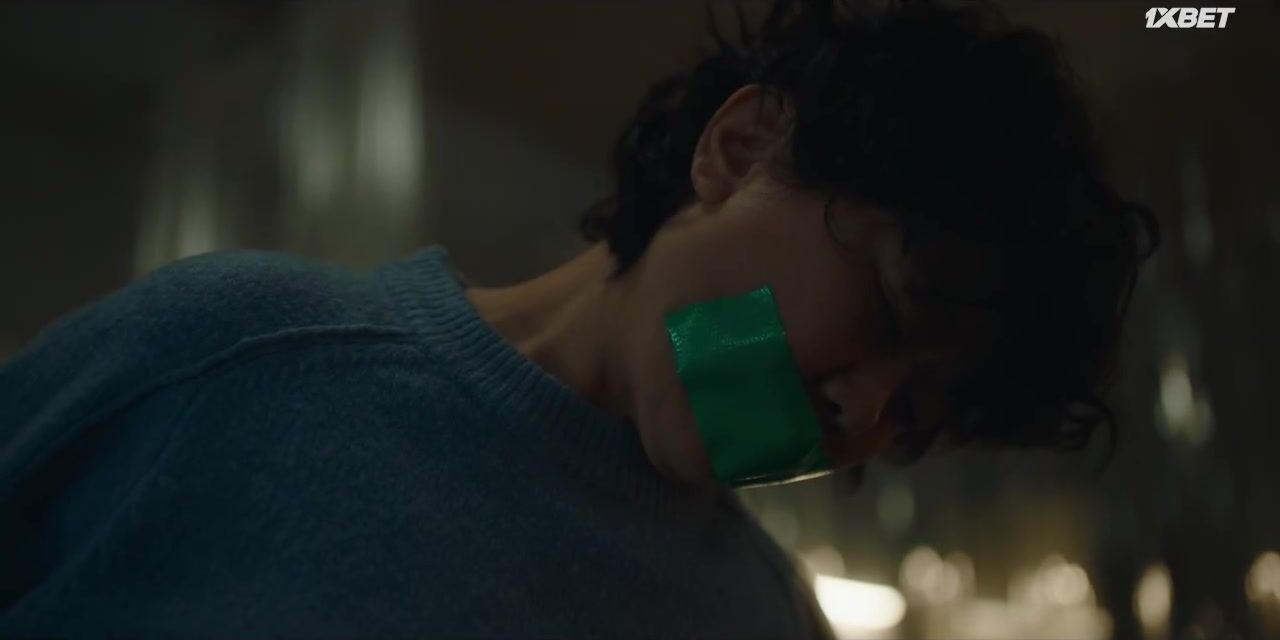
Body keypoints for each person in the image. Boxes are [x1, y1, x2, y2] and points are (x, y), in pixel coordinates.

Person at [0, 0, 1157, 638]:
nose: (857, 409)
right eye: (889, 305)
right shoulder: (235, 358)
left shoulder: (766, 621)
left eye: (912, 420)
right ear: (740, 149)